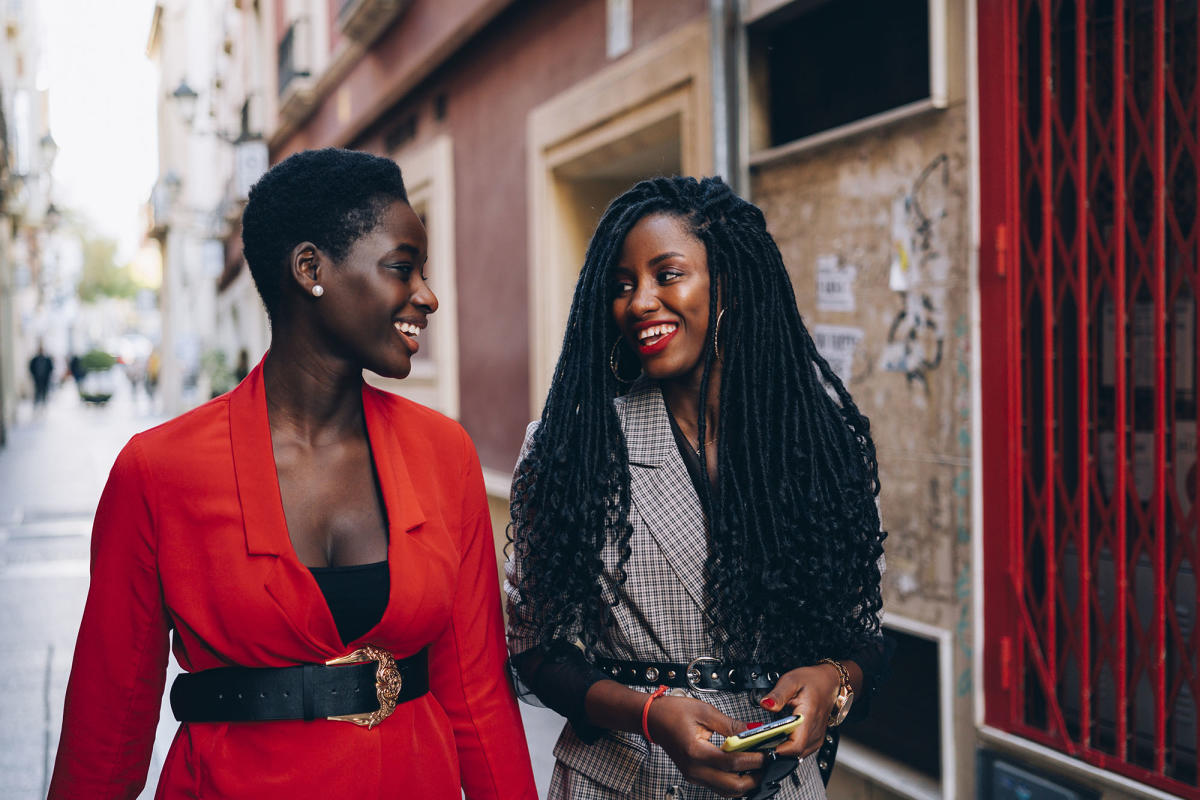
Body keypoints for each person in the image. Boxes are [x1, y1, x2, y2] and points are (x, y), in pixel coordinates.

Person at [49, 148, 538, 800]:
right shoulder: (158, 473)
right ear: (311, 269)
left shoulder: (444, 455)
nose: (428, 295)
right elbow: (105, 735)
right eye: (402, 268)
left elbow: (478, 693)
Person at [506, 176, 887, 800]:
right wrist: (651, 715)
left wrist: (832, 682)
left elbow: (864, 636)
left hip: (777, 785)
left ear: (729, 285)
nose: (639, 302)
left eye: (667, 274)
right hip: (623, 782)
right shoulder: (572, 447)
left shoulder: (818, 445)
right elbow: (534, 652)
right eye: (623, 285)